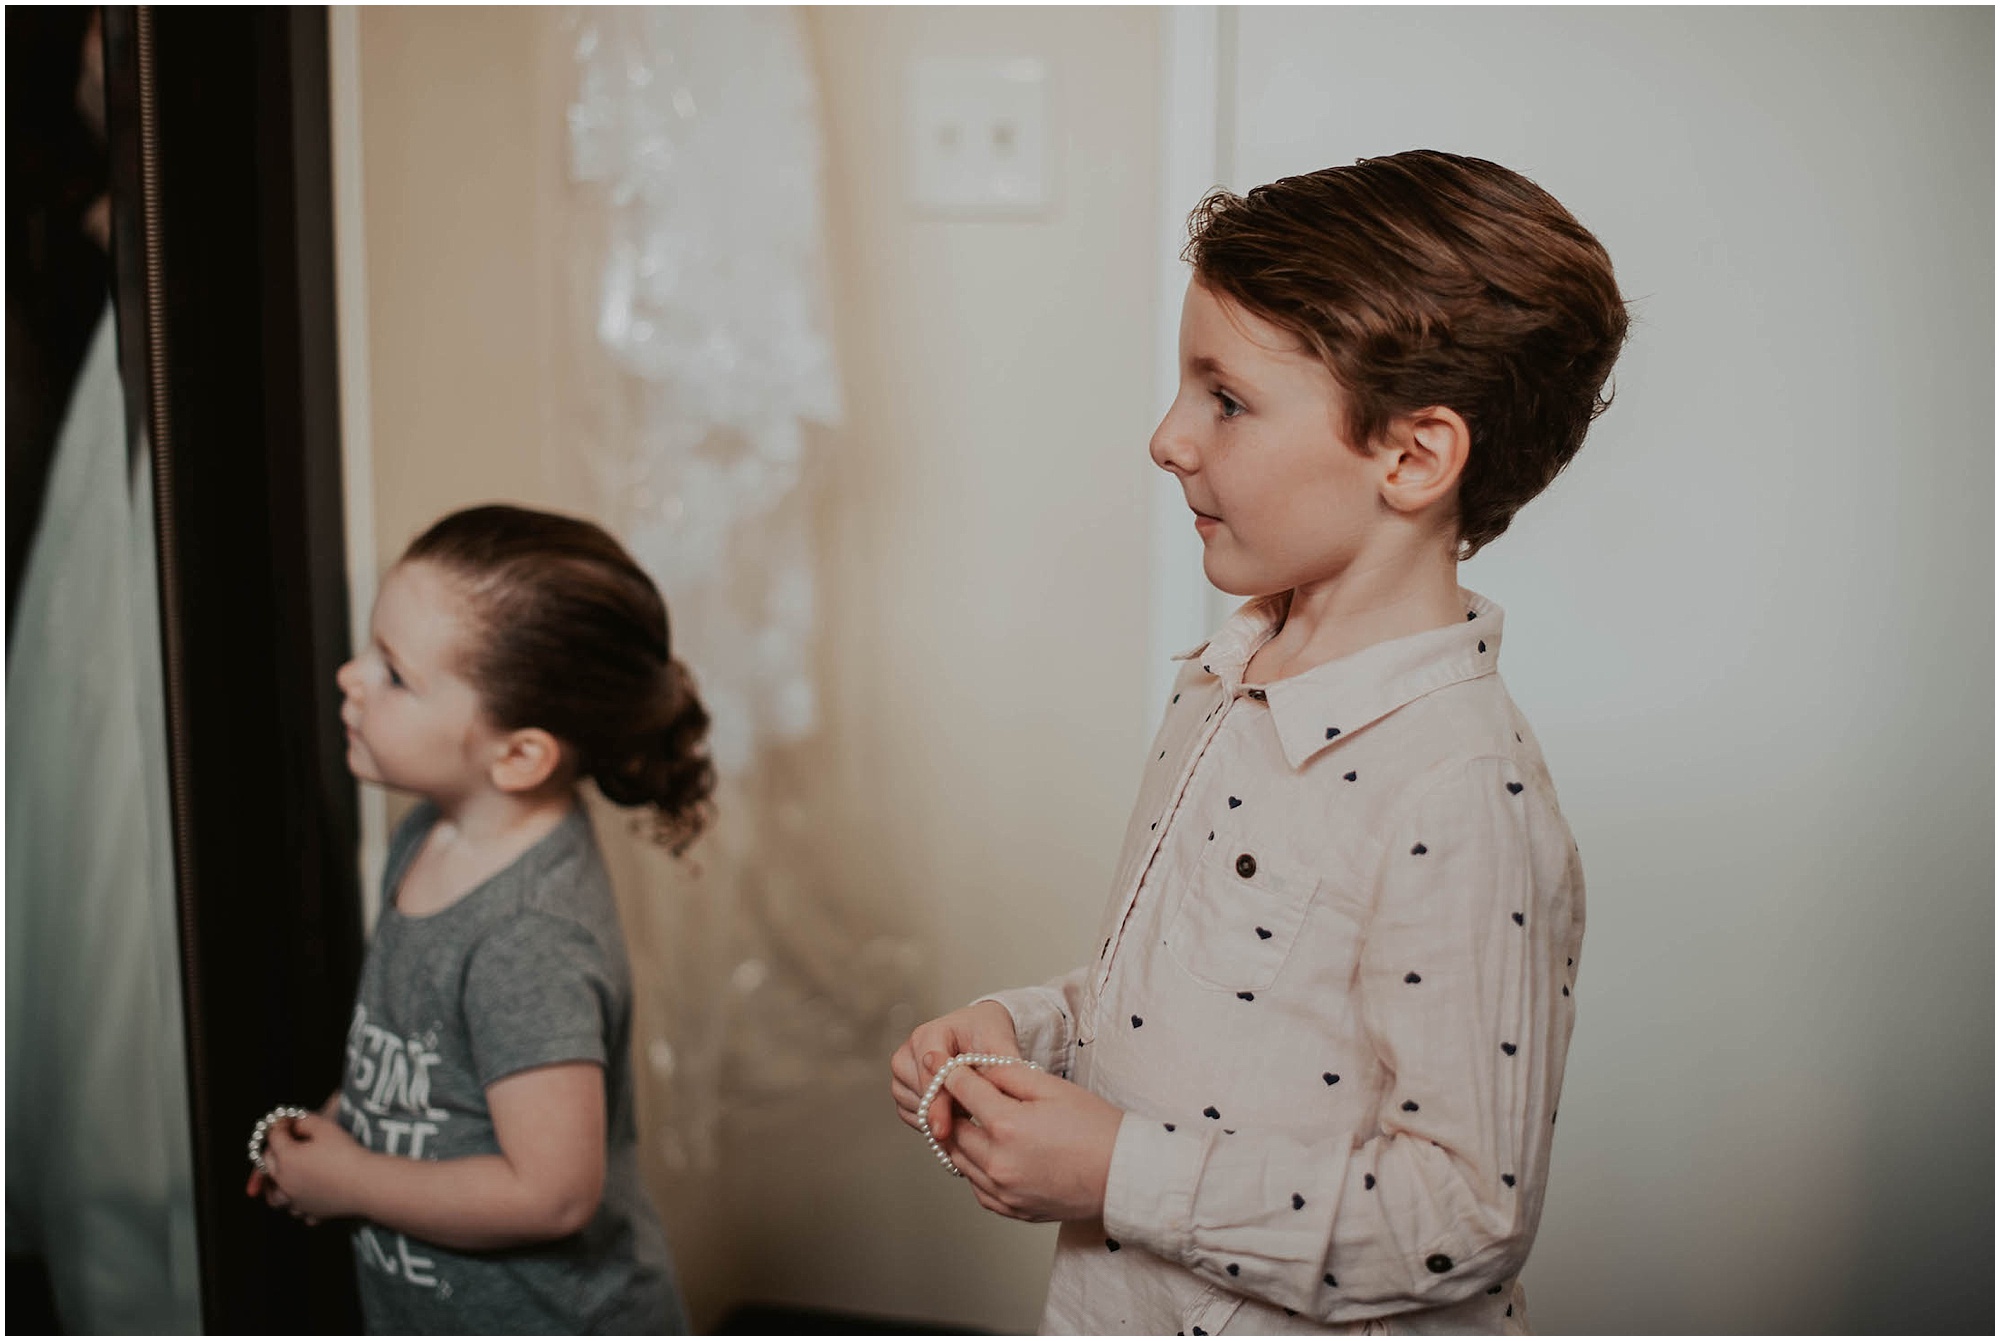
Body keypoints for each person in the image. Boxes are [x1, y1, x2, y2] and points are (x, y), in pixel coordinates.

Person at [890, 150, 1628, 1334]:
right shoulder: (1227, 679)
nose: (1167, 439)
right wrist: (1031, 1032)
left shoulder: (1457, 793)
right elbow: (1220, 1006)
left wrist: (1115, 1173)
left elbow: (1460, 1220)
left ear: (1411, 456)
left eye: (1223, 399)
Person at [247, 504, 714, 1334]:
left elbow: (554, 1193)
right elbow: (420, 1061)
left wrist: (354, 1181)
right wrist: (338, 1125)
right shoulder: (430, 831)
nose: (351, 677)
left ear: (520, 754)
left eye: (394, 673)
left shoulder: (529, 935)